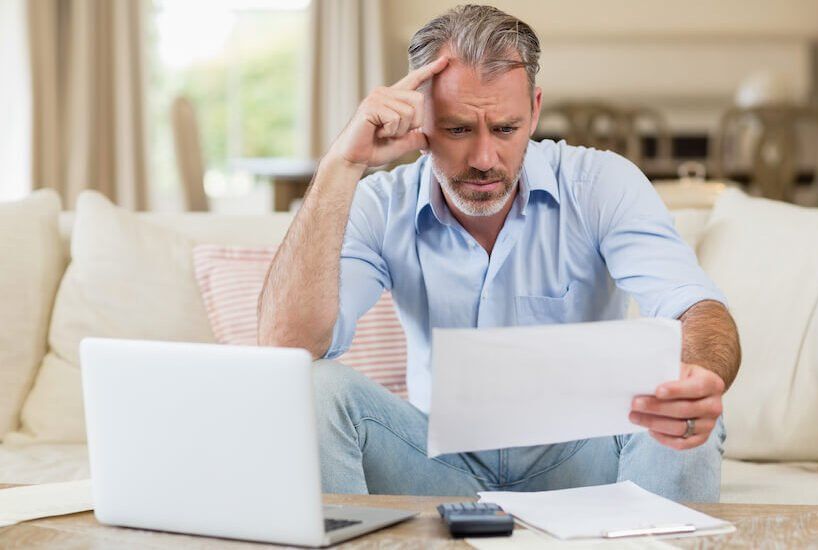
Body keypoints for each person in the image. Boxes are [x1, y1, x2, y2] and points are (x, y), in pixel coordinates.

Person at [258, 4, 740, 502]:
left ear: (534, 110)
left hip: (582, 457)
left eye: (506, 129)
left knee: (684, 407)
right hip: (433, 464)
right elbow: (286, 347)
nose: (484, 159)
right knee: (311, 389)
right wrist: (343, 162)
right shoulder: (382, 205)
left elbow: (696, 308)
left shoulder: (600, 183)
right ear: (419, 118)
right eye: (459, 130)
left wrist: (699, 376)